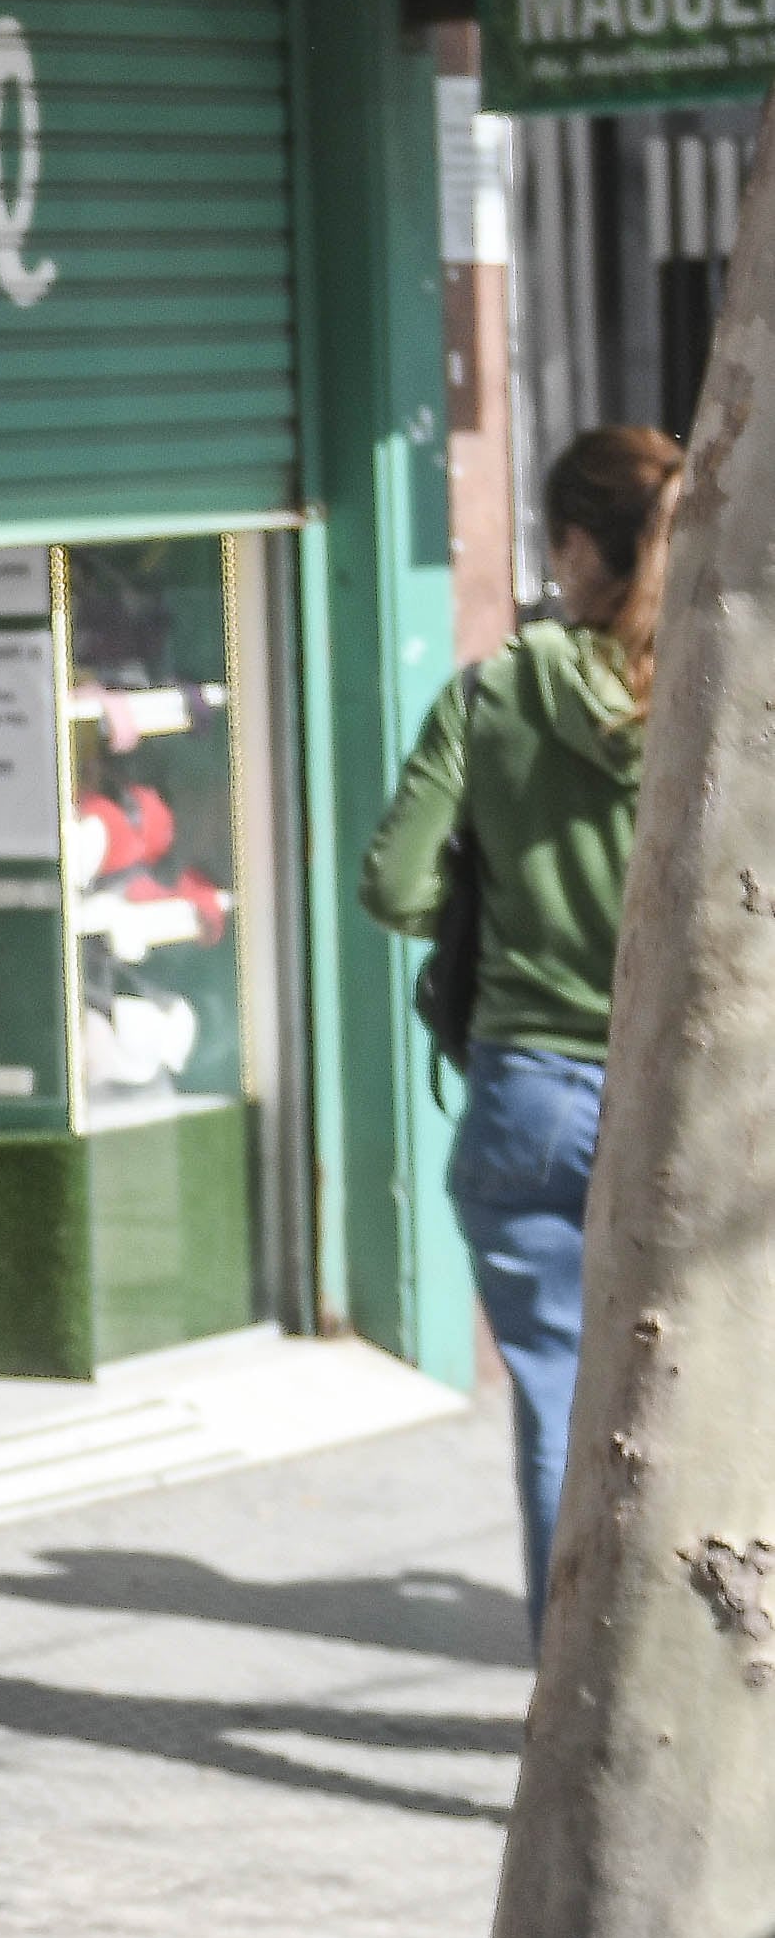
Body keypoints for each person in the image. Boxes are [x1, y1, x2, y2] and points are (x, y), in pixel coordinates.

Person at [358, 423, 682, 1642]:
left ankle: (573, 1679)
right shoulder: (710, 696)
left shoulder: (488, 692)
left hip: (523, 1100)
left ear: (567, 546)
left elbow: (391, 887)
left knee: (557, 1396)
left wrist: (496, 919)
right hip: (683, 1101)